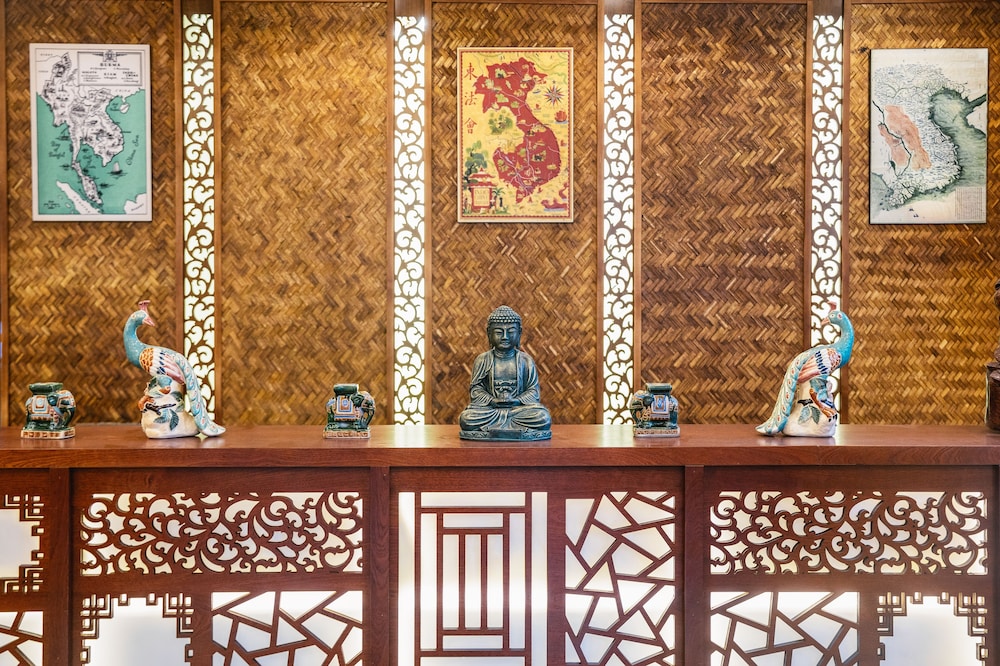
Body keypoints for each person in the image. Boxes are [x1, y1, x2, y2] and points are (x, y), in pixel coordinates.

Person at [459, 306, 552, 439]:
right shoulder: (483, 359)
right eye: (498, 332)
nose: (505, 337)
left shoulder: (526, 360)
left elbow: (534, 392)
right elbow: (475, 390)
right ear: (489, 333)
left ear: (519, 333)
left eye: (511, 331)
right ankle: (508, 425)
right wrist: (492, 400)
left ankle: (503, 425)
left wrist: (516, 401)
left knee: (543, 417)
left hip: (517, 410)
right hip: (491, 411)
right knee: (467, 418)